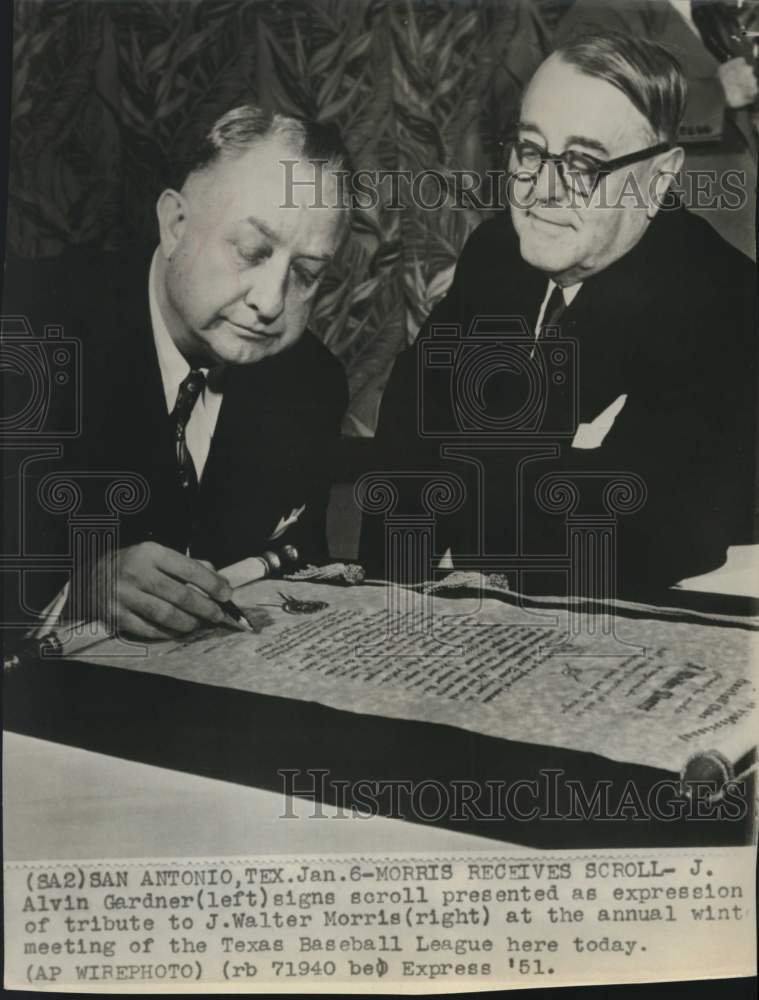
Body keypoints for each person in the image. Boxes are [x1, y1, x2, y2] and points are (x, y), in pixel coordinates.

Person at [360, 32, 757, 600]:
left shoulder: (727, 300)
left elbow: (633, 537)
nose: (542, 190)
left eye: (584, 163)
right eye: (529, 150)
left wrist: (475, 471)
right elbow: (410, 427)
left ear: (659, 179)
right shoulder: (498, 251)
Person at [3, 106, 350, 639]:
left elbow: (293, 573)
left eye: (306, 274)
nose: (271, 301)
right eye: (252, 251)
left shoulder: (311, 383)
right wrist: (79, 586)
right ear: (175, 224)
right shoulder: (24, 329)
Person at [554, 0, 758, 260]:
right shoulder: (599, 11)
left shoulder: (708, 12)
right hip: (681, 235)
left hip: (732, 226)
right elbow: (597, 106)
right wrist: (716, 94)